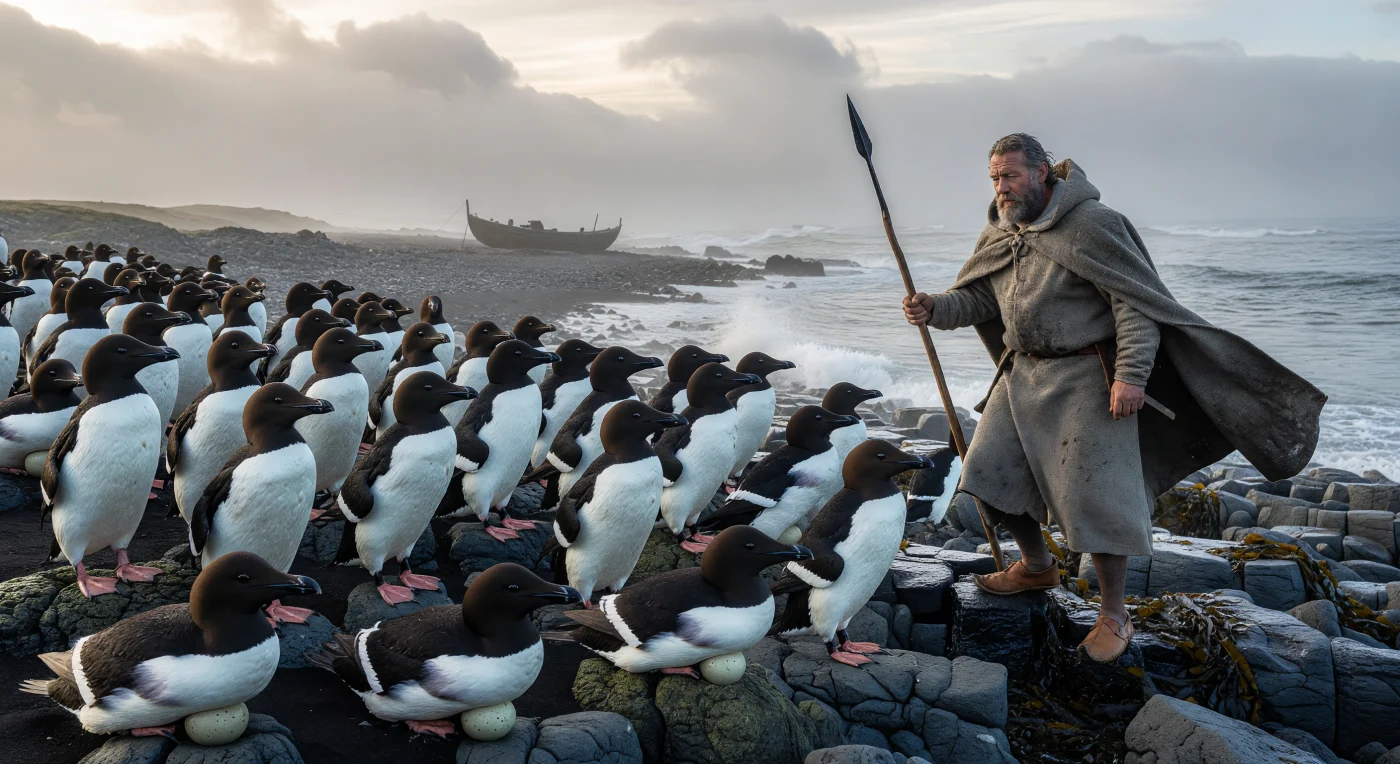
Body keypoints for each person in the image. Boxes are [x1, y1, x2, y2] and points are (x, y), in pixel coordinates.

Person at [902, 134, 1325, 662]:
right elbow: (980, 297)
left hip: (1090, 378)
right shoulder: (1002, 230)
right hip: (1023, 375)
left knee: (1096, 500)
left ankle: (1114, 614)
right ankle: (1036, 568)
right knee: (987, 474)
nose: (1001, 188)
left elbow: (1134, 306)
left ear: (1043, 173)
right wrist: (935, 308)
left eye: (1011, 176)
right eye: (994, 178)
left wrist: (1131, 376)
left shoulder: (1094, 226)